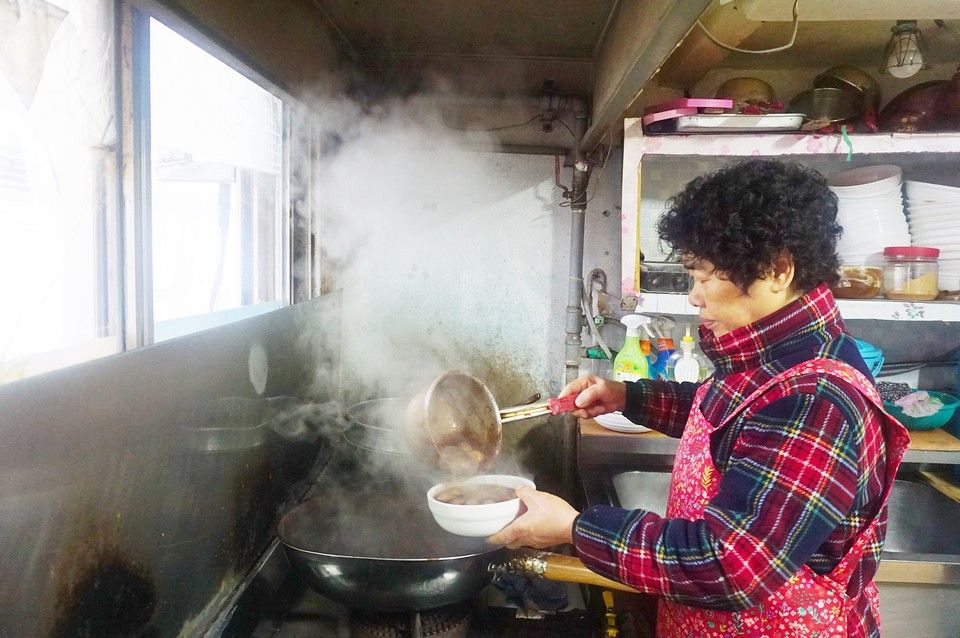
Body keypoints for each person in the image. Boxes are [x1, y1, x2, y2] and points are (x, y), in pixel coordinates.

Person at [488, 158, 909, 637]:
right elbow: (735, 419)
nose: (694, 297)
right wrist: (628, 397)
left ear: (778, 270)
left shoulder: (818, 399)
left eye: (705, 277)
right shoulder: (776, 355)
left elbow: (729, 565)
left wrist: (574, 528)